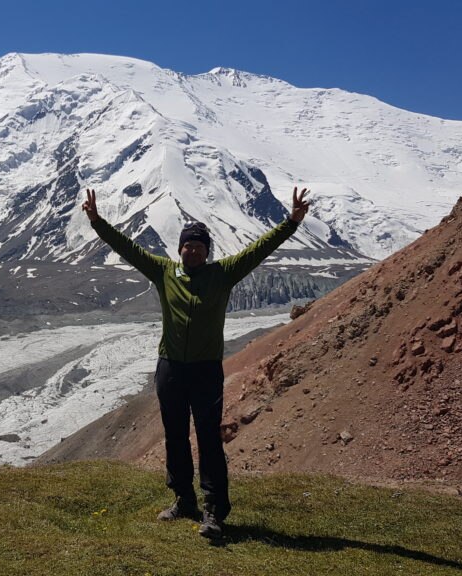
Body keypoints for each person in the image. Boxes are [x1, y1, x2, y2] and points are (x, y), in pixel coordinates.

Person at [82, 186, 310, 538]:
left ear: (207, 251)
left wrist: (291, 222)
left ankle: (215, 511)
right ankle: (184, 500)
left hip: (205, 370)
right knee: (174, 436)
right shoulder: (163, 272)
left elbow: (259, 250)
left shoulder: (222, 274)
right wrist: (98, 222)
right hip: (170, 367)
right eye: (188, 245)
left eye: (199, 246)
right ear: (180, 248)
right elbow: (128, 249)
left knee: (208, 438)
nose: (192, 251)